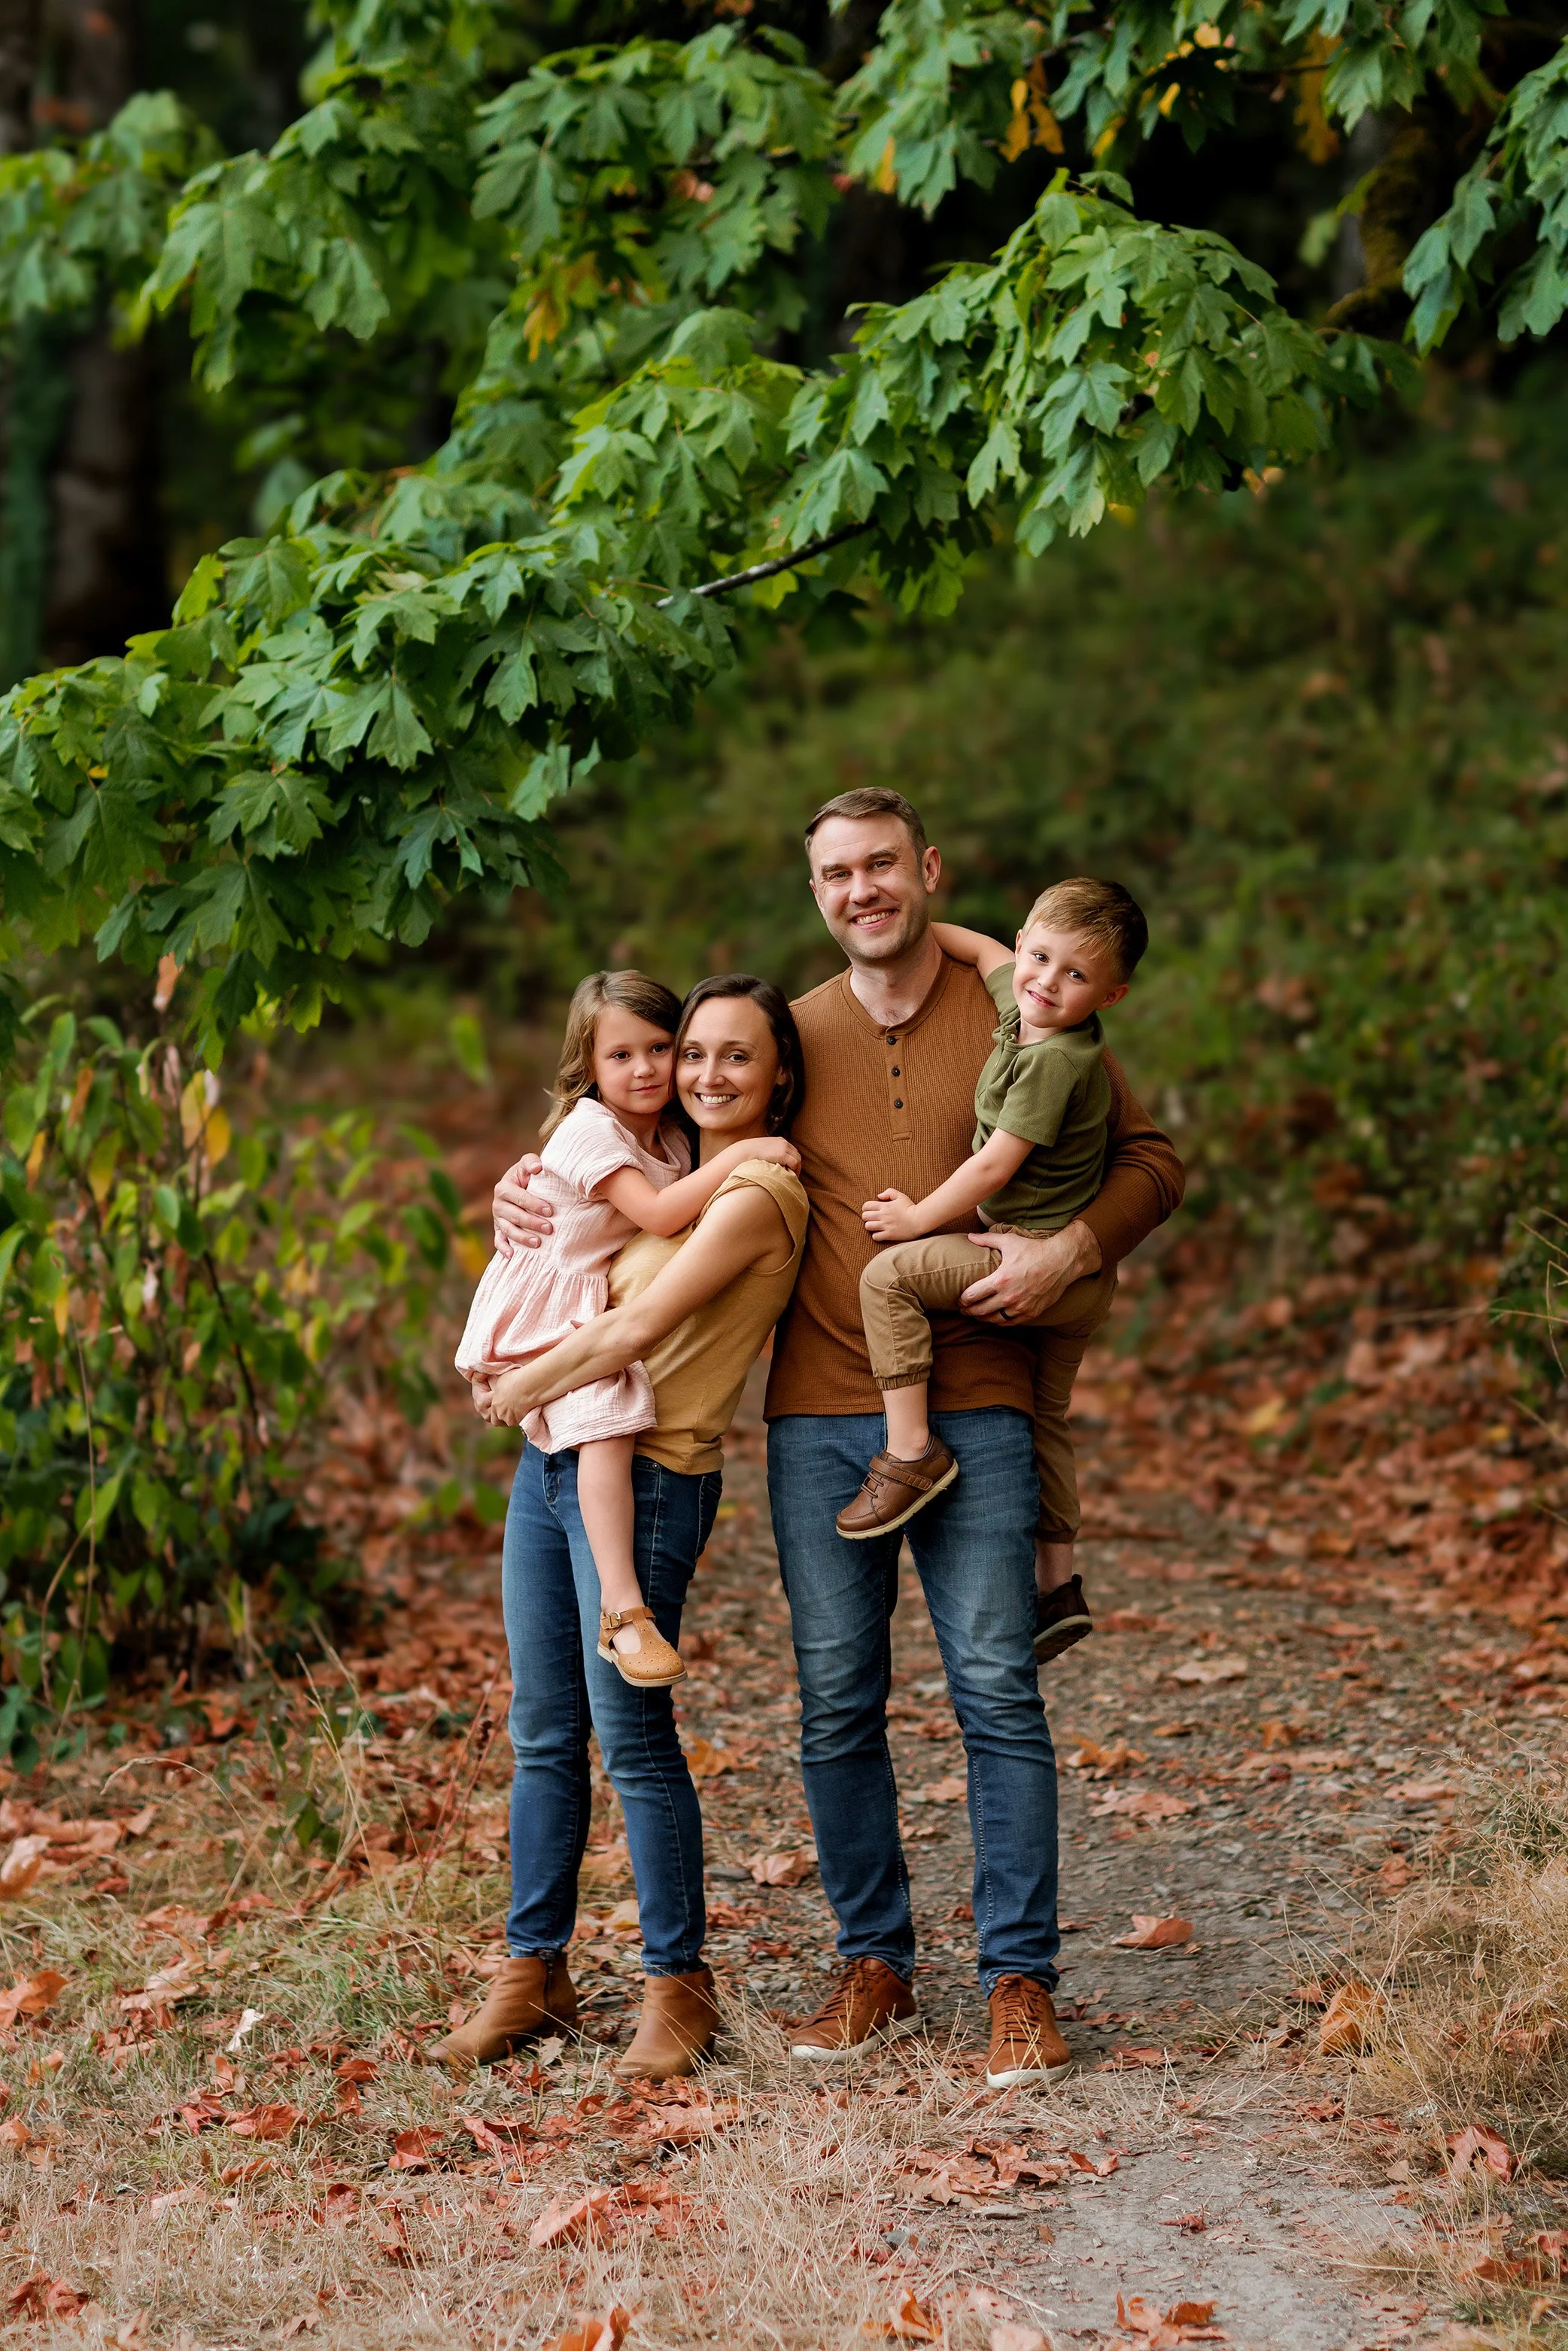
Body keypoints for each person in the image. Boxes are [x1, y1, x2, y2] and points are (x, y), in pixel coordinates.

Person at [491, 789, 1183, 2088]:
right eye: (834, 873)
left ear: (928, 868)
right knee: (832, 1704)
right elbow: (655, 1136)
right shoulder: (786, 1035)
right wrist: (530, 1185)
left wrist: (1072, 1246)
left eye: (881, 865)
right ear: (813, 889)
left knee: (991, 1685)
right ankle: (873, 1957)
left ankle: (1019, 1979)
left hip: (972, 1386)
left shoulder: (1023, 1001)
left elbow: (1149, 1157)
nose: (860, 889)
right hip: (814, 1408)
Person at [434, 976, 810, 2084]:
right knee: (543, 1729)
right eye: (689, 1053)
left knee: (634, 1740)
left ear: (778, 1072)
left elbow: (644, 1319)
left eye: (730, 1058)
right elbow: (587, 1212)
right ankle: (531, 1974)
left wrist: (521, 1379)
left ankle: (678, 1985)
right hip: (554, 1460)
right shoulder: (673, 1163)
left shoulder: (759, 1192)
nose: (698, 1075)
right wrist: (523, 1181)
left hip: (650, 1480)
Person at [454, 968, 798, 1689]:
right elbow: (661, 1214)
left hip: (645, 1435)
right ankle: (624, 1606)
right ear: (589, 1067)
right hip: (549, 1313)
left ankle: (622, 1609)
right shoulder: (597, 1132)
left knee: (609, 1411)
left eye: (660, 1048)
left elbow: (648, 1282)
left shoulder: (677, 1143)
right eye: (621, 1055)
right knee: (543, 1726)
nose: (648, 1068)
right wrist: (742, 1152)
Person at [835, 880, 1147, 1554]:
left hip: (1030, 1252)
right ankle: (1057, 1575)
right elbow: (976, 949)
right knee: (1046, 1419)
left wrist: (918, 1219)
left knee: (888, 1280)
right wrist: (907, 939)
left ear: (1111, 997)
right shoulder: (1026, 1004)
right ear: (1022, 943)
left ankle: (911, 1450)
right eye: (1038, 957)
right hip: (1084, 1285)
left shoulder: (1054, 1060)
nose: (1047, 982)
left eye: (1077, 975)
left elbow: (992, 1168)